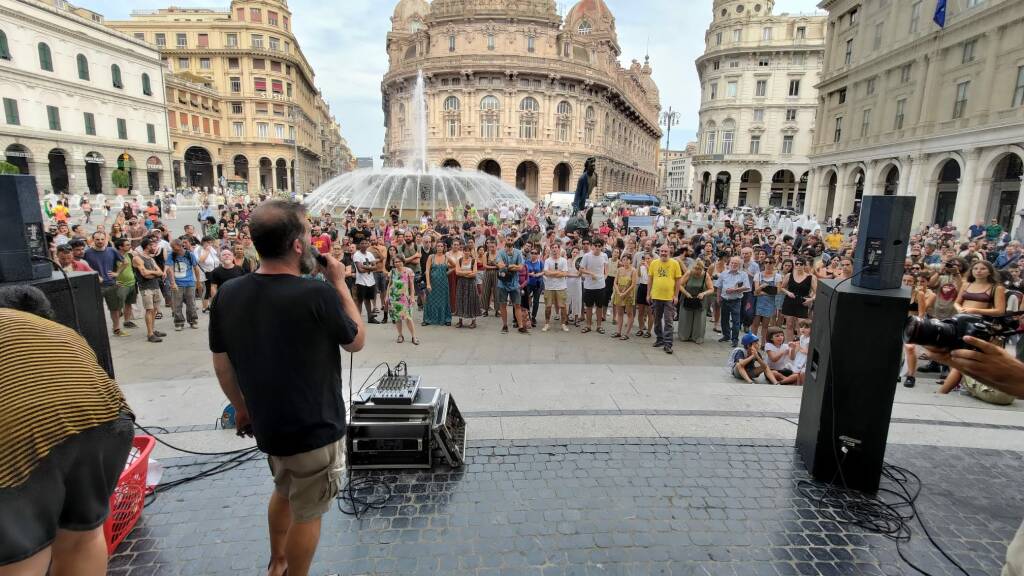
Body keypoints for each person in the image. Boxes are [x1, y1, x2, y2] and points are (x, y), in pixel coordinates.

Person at [209, 200, 364, 576]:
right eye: (308, 233)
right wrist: (340, 284)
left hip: (267, 423)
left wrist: (241, 408)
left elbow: (222, 362)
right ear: (298, 245)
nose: (311, 240)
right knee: (308, 511)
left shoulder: (228, 293)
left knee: (283, 489)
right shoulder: (317, 294)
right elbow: (356, 340)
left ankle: (276, 562)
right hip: (315, 427)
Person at [0, 285, 134, 576]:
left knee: (23, 556)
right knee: (83, 537)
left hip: (23, 437)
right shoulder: (62, 332)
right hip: (108, 421)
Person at [83, 231, 128, 337]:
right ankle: (97, 331)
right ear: (93, 240)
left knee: (115, 309)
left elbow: (125, 262)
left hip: (111, 284)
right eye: (97, 239)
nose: (100, 241)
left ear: (106, 239)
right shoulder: (87, 253)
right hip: (95, 286)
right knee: (95, 310)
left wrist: (117, 273)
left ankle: (116, 328)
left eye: (102, 239)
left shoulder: (111, 250)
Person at [648, 244, 682, 354]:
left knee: (669, 321)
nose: (663, 253)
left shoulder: (675, 263)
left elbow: (678, 281)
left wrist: (676, 295)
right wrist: (648, 294)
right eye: (661, 251)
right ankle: (659, 339)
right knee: (657, 320)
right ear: (659, 251)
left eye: (665, 251)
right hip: (656, 296)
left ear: (669, 252)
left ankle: (668, 344)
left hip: (669, 298)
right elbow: (650, 279)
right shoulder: (654, 263)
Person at [716, 257, 751, 348]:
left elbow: (747, 287)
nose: (733, 265)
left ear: (739, 265)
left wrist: (735, 290)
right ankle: (726, 336)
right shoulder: (724, 274)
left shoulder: (743, 274)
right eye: (732, 263)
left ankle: (735, 339)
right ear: (729, 263)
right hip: (724, 300)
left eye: (736, 263)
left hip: (736, 300)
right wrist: (718, 297)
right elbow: (719, 286)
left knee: (736, 321)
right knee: (724, 319)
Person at [167, 238, 201, 332]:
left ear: (180, 245)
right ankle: (179, 322)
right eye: (172, 248)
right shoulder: (171, 255)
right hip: (177, 283)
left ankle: (193, 320)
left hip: (190, 282)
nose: (173, 249)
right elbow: (170, 269)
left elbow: (196, 268)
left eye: (174, 247)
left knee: (191, 303)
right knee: (177, 304)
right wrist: (173, 283)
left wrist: (198, 281)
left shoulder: (189, 254)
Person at [678, 258, 714, 345]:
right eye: (695, 269)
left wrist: (704, 293)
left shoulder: (706, 275)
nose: (697, 271)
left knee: (699, 319)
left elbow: (711, 289)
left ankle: (697, 336)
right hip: (688, 297)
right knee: (686, 317)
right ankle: (685, 335)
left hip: (700, 299)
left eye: (699, 269)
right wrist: (686, 293)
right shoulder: (689, 273)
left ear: (702, 269)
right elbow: (679, 285)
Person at [496, 239, 527, 334]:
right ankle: (505, 325)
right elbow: (500, 266)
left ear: (513, 244)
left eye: (510, 241)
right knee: (503, 304)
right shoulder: (500, 252)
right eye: (507, 240)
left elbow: (521, 267)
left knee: (517, 305)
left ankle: (521, 326)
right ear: (505, 243)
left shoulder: (518, 252)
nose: (509, 243)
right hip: (502, 283)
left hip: (514, 283)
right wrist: (513, 266)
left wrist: (507, 266)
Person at [580, 239, 609, 334]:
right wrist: (590, 273)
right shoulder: (587, 256)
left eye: (599, 246)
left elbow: (606, 270)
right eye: (595, 245)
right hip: (589, 286)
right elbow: (581, 269)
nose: (597, 247)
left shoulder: (604, 255)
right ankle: (588, 325)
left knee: (599, 306)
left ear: (602, 246)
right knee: (588, 306)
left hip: (600, 286)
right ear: (593, 246)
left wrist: (603, 278)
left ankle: (599, 326)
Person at [388, 255, 418, 344]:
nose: (397, 263)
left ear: (403, 261)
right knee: (397, 318)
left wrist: (412, 296)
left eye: (399, 261)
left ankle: (414, 337)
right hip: (393, 297)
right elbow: (389, 285)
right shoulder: (392, 271)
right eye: (395, 262)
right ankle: (400, 335)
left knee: (408, 318)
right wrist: (387, 297)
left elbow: (412, 285)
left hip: (405, 297)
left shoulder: (409, 271)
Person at [423, 242, 452, 327]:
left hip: (443, 282)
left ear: (444, 247)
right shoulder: (431, 257)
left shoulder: (446, 257)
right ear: (436, 247)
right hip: (432, 282)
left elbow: (455, 265)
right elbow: (427, 271)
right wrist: (428, 283)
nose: (439, 248)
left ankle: (446, 319)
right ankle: (428, 319)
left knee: (444, 300)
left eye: (441, 246)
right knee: (430, 300)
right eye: (438, 246)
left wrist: (447, 273)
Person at [542, 243, 569, 333]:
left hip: (561, 287)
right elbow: (546, 272)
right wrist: (558, 272)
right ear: (551, 249)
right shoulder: (547, 261)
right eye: (552, 248)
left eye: (556, 247)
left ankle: (563, 324)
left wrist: (552, 273)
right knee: (548, 306)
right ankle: (547, 323)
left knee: (563, 306)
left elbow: (565, 273)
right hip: (549, 287)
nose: (554, 249)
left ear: (559, 249)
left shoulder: (563, 260)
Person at [453, 245, 480, 329]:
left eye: (468, 250)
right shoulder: (459, 260)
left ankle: (473, 321)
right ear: (463, 251)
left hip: (471, 283)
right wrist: (468, 272)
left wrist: (463, 273)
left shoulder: (473, 261)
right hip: (461, 283)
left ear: (470, 251)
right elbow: (457, 272)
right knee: (460, 299)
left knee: (472, 300)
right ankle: (460, 321)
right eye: (465, 250)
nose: (466, 252)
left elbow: (474, 273)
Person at [351, 238, 378, 323]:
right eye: (362, 243)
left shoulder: (370, 254)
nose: (364, 245)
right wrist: (371, 268)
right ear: (359, 245)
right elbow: (360, 270)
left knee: (368, 299)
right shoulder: (357, 255)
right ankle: (358, 320)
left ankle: (370, 318)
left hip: (370, 281)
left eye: (366, 243)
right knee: (360, 301)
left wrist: (364, 267)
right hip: (361, 282)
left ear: (368, 244)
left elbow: (375, 267)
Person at [611, 254, 636, 340]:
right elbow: (615, 282)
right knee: (620, 313)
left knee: (629, 313)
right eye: (624, 259)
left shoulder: (633, 271)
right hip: (619, 293)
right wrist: (618, 292)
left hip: (628, 293)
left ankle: (627, 333)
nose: (625, 261)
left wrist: (624, 293)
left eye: (627, 259)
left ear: (630, 260)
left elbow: (633, 284)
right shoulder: (619, 270)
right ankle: (618, 332)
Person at [523, 248, 545, 328]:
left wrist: (538, 274)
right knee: (525, 299)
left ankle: (533, 317)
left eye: (535, 253)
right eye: (532, 253)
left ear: (538, 254)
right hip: (528, 283)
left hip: (538, 283)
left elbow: (544, 271)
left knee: (536, 301)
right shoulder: (526, 262)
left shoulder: (540, 262)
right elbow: (523, 271)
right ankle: (526, 315)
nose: (533, 254)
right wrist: (529, 273)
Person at [565, 247, 583, 328]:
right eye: (574, 252)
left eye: (576, 252)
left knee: (577, 300)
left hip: (577, 283)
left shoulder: (580, 262)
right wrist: (575, 275)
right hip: (568, 283)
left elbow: (580, 274)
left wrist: (578, 274)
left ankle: (576, 319)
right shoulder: (567, 261)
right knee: (567, 300)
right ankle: (566, 318)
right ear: (571, 253)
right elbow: (566, 273)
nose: (575, 253)